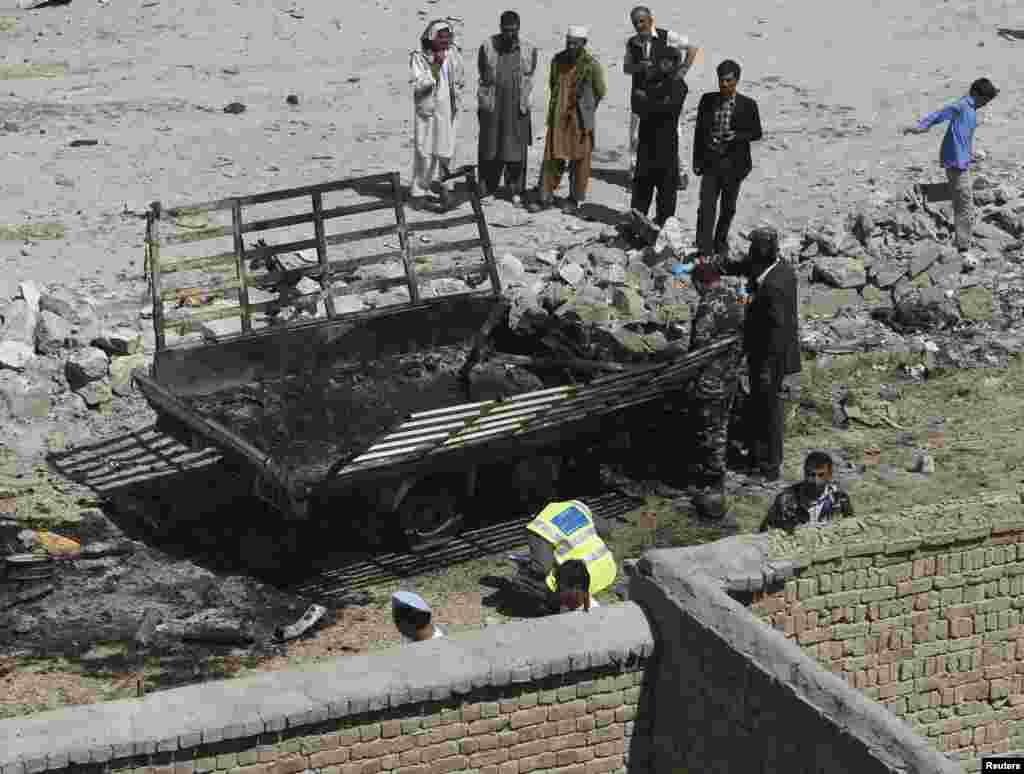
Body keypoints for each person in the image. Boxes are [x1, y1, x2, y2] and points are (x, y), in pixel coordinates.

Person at [903, 78, 1000, 256]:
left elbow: (963, 134)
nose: (985, 105)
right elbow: (941, 114)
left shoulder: (970, 108)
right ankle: (963, 246)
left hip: (962, 159)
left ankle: (925, 192)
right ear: (976, 94)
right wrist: (921, 126)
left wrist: (971, 155)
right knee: (964, 202)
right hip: (955, 160)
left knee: (960, 192)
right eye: (985, 100)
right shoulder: (963, 105)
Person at [740, 226, 800, 482]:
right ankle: (759, 457)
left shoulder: (774, 285)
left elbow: (778, 328)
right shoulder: (780, 269)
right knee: (762, 406)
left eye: (753, 247)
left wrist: (768, 365)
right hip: (768, 353)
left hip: (770, 356)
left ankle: (768, 466)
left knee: (768, 409)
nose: (749, 252)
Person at [686, 261, 744, 519]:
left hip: (711, 379)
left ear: (700, 283)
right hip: (731, 375)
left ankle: (712, 487)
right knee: (721, 427)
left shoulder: (708, 304)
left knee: (710, 433)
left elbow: (700, 346)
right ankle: (715, 480)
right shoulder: (734, 299)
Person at [527, 27, 607, 215]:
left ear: (583, 44)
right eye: (568, 42)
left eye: (575, 43)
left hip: (580, 120)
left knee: (579, 161)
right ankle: (545, 197)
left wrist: (586, 109)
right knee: (551, 158)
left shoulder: (591, 65)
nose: (570, 46)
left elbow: (600, 91)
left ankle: (574, 199)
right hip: (558, 116)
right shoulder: (558, 60)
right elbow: (554, 84)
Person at [693, 59, 762, 260]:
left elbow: (756, 132)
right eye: (721, 80)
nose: (724, 84)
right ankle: (704, 248)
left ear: (737, 81)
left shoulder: (748, 105)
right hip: (711, 162)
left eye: (728, 80)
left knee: (727, 208)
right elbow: (699, 131)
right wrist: (697, 160)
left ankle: (720, 243)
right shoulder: (707, 100)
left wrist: (736, 136)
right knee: (706, 207)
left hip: (734, 165)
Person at [623, 6, 699, 190]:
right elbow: (626, 68)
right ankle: (636, 174)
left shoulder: (667, 36)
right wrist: (639, 67)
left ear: (650, 20)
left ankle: (680, 173)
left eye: (642, 21)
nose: (639, 25)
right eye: (635, 22)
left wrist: (681, 72)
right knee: (636, 137)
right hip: (641, 96)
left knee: (675, 134)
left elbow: (692, 49)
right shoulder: (632, 43)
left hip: (665, 96)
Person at [477, 11, 539, 206]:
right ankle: (488, 187)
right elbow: (482, 70)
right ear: (500, 28)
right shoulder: (487, 46)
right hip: (493, 106)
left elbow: (530, 73)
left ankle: (515, 190)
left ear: (518, 28)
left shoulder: (529, 49)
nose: (509, 34)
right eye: (506, 30)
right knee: (491, 147)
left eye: (513, 30)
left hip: (517, 105)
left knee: (516, 149)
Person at [519, 500, 617, 612]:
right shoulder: (575, 506)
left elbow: (542, 568)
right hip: (607, 570)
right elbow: (606, 529)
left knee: (525, 579)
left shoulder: (539, 525)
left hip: (576, 583)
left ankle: (554, 608)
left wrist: (525, 567)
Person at [410, 20, 466, 212]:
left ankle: (446, 190)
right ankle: (419, 193)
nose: (444, 41)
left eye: (447, 37)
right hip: (428, 113)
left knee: (446, 152)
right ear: (432, 38)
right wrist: (436, 65)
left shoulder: (453, 54)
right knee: (424, 153)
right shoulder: (420, 57)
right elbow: (418, 84)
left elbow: (460, 78)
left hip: (448, 111)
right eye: (440, 37)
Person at [630, 47, 687, 226]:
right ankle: (636, 224)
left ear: (675, 64)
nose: (665, 63)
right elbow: (636, 106)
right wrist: (652, 102)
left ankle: (664, 227)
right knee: (641, 188)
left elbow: (668, 110)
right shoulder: (649, 80)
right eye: (662, 59)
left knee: (666, 190)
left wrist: (647, 100)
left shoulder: (678, 85)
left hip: (666, 144)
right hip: (646, 142)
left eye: (669, 61)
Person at [759, 451, 853, 533]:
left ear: (830, 475)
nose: (816, 481)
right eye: (811, 475)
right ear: (805, 473)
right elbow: (766, 530)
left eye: (821, 475)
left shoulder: (839, 500)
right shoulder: (785, 500)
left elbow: (850, 529)